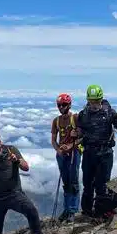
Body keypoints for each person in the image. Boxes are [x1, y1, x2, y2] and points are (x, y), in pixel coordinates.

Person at [77, 84, 117, 219]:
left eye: (96, 101)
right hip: (89, 153)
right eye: (92, 101)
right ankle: (87, 212)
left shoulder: (109, 113)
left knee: (102, 185)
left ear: (101, 99)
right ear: (88, 100)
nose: (94, 104)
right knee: (87, 185)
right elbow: (80, 133)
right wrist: (75, 134)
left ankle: (101, 213)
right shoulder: (83, 115)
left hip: (105, 154)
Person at [50, 93, 82, 221]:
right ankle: (67, 209)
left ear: (69, 105)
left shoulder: (76, 118)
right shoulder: (56, 121)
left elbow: (82, 137)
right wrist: (58, 149)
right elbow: (53, 139)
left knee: (73, 182)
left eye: (63, 104)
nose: (61, 107)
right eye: (59, 105)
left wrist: (71, 145)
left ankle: (72, 211)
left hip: (74, 152)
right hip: (62, 155)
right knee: (66, 182)